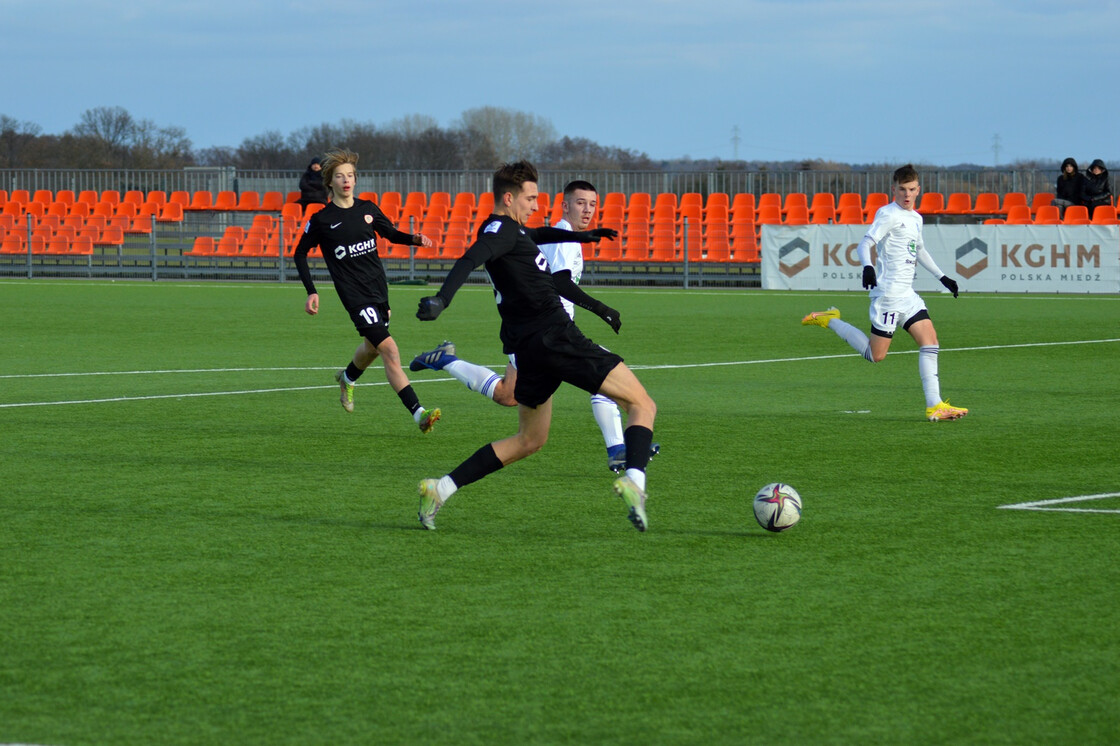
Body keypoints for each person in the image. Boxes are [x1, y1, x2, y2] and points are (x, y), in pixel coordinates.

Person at [413, 161, 658, 532]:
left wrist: (579, 238)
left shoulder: (509, 230)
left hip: (528, 350)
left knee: (530, 439)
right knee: (642, 404)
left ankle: (440, 488)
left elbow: (532, 235)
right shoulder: (499, 232)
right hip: (555, 335)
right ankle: (635, 484)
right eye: (530, 198)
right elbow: (471, 258)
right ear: (509, 198)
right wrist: (441, 300)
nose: (534, 204)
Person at [801, 164, 968, 422]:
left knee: (931, 342)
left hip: (908, 295)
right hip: (888, 295)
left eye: (912, 189)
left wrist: (942, 277)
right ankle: (830, 319)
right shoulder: (888, 214)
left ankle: (934, 405)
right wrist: (868, 267)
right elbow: (865, 243)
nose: (907, 194)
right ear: (894, 189)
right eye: (902, 189)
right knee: (875, 355)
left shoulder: (916, 218)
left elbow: (919, 249)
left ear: (918, 189)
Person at [292, 148, 441, 433]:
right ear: (330, 182)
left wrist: (415, 239)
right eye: (339, 176)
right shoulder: (323, 220)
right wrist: (311, 291)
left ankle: (347, 379)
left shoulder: (368, 209)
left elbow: (391, 233)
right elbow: (300, 254)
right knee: (389, 349)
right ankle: (419, 414)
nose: (346, 180)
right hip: (354, 296)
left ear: (355, 180)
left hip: (378, 291)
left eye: (350, 175)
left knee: (372, 349)